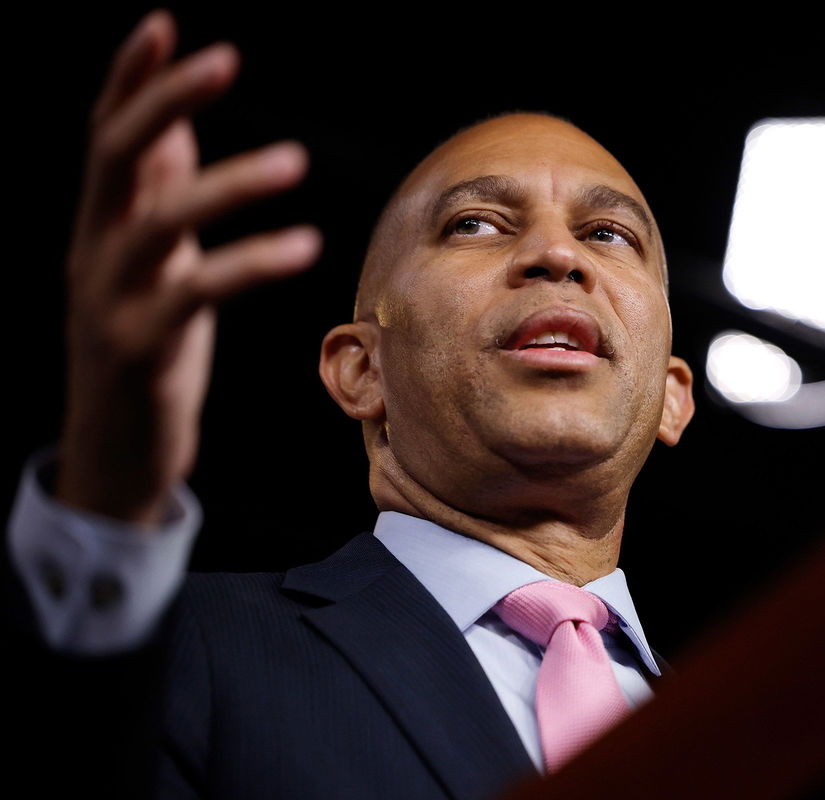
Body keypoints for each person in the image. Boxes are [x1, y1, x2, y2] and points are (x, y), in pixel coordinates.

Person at [6, 9, 694, 799]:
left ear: (673, 396)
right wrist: (106, 491)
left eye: (608, 234)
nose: (556, 253)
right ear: (361, 370)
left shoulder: (770, 722)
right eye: (475, 223)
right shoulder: (183, 643)